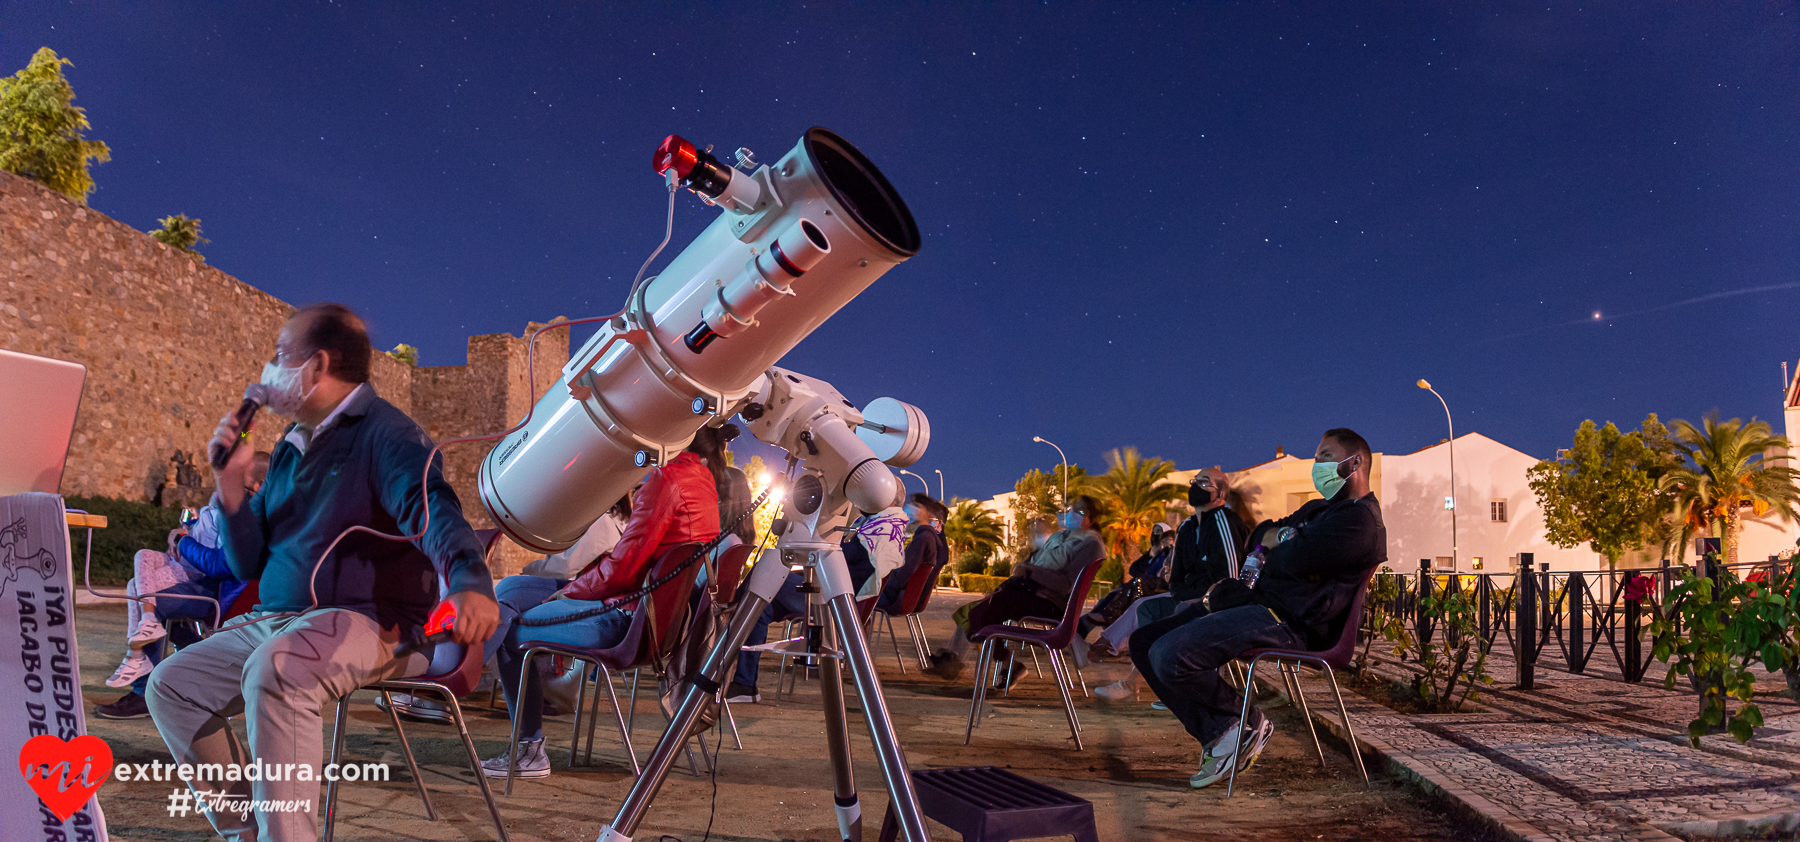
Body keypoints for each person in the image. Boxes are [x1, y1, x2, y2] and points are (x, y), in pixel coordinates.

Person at [147, 303, 500, 842]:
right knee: (172, 684)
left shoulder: (389, 435)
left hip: (374, 620)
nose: (269, 368)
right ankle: (250, 832)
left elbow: (433, 511)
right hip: (280, 618)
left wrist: (470, 581)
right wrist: (230, 486)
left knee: (279, 670)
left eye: (280, 355)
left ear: (316, 365)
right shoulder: (291, 446)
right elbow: (245, 562)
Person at [1129, 428, 1385, 789]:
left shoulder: (1359, 521)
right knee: (1144, 643)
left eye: (1325, 457)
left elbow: (1288, 561)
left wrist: (1280, 548)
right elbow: (1259, 535)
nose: (1317, 465)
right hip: (1258, 604)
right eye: (1316, 458)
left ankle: (1241, 724)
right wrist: (1284, 540)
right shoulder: (1318, 509)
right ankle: (1226, 731)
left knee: (1169, 655)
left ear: (1355, 462)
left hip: (1292, 622)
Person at [479, 427, 723, 779]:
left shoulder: (666, 481)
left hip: (626, 617)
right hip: (647, 611)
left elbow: (623, 568)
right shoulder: (701, 479)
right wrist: (576, 586)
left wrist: (570, 592)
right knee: (512, 587)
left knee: (512, 631)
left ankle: (527, 748)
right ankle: (466, 660)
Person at [381, 491, 634, 725]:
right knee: (504, 600)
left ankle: (447, 684)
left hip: (587, 597)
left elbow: (564, 567)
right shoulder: (616, 521)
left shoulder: (602, 522)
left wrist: (526, 574)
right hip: (590, 595)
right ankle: (461, 682)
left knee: (504, 610)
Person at [95, 452, 271, 720]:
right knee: (140, 585)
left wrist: (182, 541)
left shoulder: (250, 518)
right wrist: (188, 530)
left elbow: (219, 566)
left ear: (258, 485)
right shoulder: (242, 508)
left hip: (218, 593)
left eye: (238, 479)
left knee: (150, 598)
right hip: (209, 584)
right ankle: (179, 677)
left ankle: (143, 690)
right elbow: (211, 539)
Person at [725, 487, 917, 704]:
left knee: (762, 576)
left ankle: (726, 616)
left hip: (834, 601)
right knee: (762, 610)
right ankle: (744, 684)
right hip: (832, 594)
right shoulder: (886, 526)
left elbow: (834, 557)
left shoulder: (880, 529)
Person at [1092, 467, 1247, 693]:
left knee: (1180, 611)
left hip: (1216, 604)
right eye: (1195, 481)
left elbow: (1229, 581)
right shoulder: (1186, 527)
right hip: (1187, 598)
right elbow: (1176, 577)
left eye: (1204, 482)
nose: (1196, 486)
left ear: (1221, 494)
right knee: (1146, 608)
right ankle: (1151, 684)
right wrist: (1183, 593)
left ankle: (1161, 685)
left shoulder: (1225, 522)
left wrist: (1192, 596)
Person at [928, 495, 1106, 684]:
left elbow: (1066, 585)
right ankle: (1003, 665)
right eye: (1071, 509)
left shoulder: (1090, 545)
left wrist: (1031, 571)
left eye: (1080, 511)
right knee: (980, 610)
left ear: (1091, 519)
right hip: (1027, 593)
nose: (1072, 514)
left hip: (1050, 602)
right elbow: (1032, 562)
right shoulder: (1058, 536)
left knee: (983, 611)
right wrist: (1021, 571)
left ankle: (997, 664)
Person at [875, 493, 949, 613]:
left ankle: (857, 624)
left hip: (896, 600)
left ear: (927, 513)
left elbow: (901, 577)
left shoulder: (923, 538)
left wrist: (881, 584)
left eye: (916, 506)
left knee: (858, 594)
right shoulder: (927, 537)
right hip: (909, 600)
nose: (910, 507)